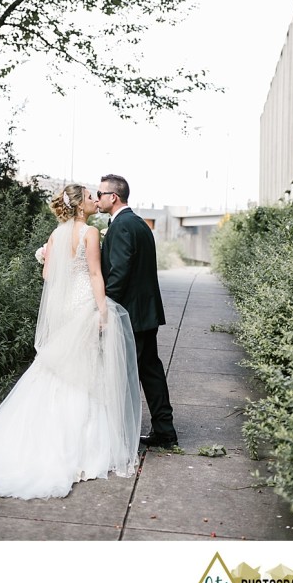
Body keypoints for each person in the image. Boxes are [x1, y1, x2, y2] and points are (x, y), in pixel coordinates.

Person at [0, 184, 141, 500]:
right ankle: (81, 449)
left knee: (57, 368)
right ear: (80, 206)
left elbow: (47, 276)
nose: (95, 200)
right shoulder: (90, 233)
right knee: (85, 369)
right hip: (83, 305)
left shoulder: (56, 235)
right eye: (89, 197)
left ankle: (38, 441)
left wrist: (48, 255)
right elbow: (96, 275)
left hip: (64, 306)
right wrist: (101, 311)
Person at [96, 174, 178, 448]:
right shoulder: (139, 223)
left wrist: (106, 306)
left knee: (124, 374)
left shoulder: (121, 227)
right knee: (150, 370)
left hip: (129, 314)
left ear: (113, 197)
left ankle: (120, 433)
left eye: (100, 194)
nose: (97, 199)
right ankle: (164, 430)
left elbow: (119, 272)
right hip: (146, 313)